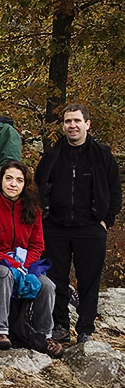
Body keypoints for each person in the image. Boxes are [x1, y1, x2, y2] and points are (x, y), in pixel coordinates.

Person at [35, 104, 122, 344]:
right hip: (56, 226)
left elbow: (115, 191)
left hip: (91, 227)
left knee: (89, 280)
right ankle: (61, 326)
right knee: (56, 278)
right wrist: (44, 216)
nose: (72, 125)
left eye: (76, 121)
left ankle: (85, 328)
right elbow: (38, 186)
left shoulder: (102, 155)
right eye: (67, 121)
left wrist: (106, 220)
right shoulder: (52, 155)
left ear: (87, 123)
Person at [0, 161, 63, 357]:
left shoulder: (33, 210)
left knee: (47, 285)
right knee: (4, 273)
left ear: (25, 184)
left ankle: (43, 335)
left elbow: (37, 245)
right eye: (9, 178)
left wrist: (24, 266)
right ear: (1, 181)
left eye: (19, 180)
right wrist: (12, 264)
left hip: (25, 265)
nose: (13, 184)